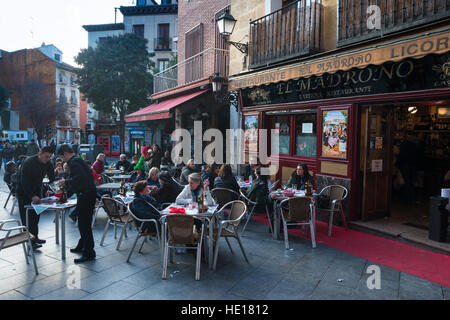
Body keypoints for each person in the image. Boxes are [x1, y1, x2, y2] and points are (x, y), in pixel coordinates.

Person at [58, 144, 97, 263]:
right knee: (83, 223)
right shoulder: (78, 160)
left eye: (61, 157)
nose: (62, 160)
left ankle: (89, 252)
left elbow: (78, 179)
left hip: (86, 195)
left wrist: (66, 182)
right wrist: (68, 194)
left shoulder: (74, 162)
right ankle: (82, 245)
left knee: (84, 224)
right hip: (88, 194)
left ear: (65, 153)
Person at [16, 146, 55, 250]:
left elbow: (52, 177)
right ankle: (30, 242)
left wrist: (48, 188)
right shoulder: (28, 162)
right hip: (24, 192)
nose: (47, 159)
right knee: (27, 219)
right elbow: (24, 181)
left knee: (36, 217)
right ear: (39, 154)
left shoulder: (48, 162)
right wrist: (32, 196)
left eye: (49, 157)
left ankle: (35, 238)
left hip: (37, 190)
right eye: (46, 156)